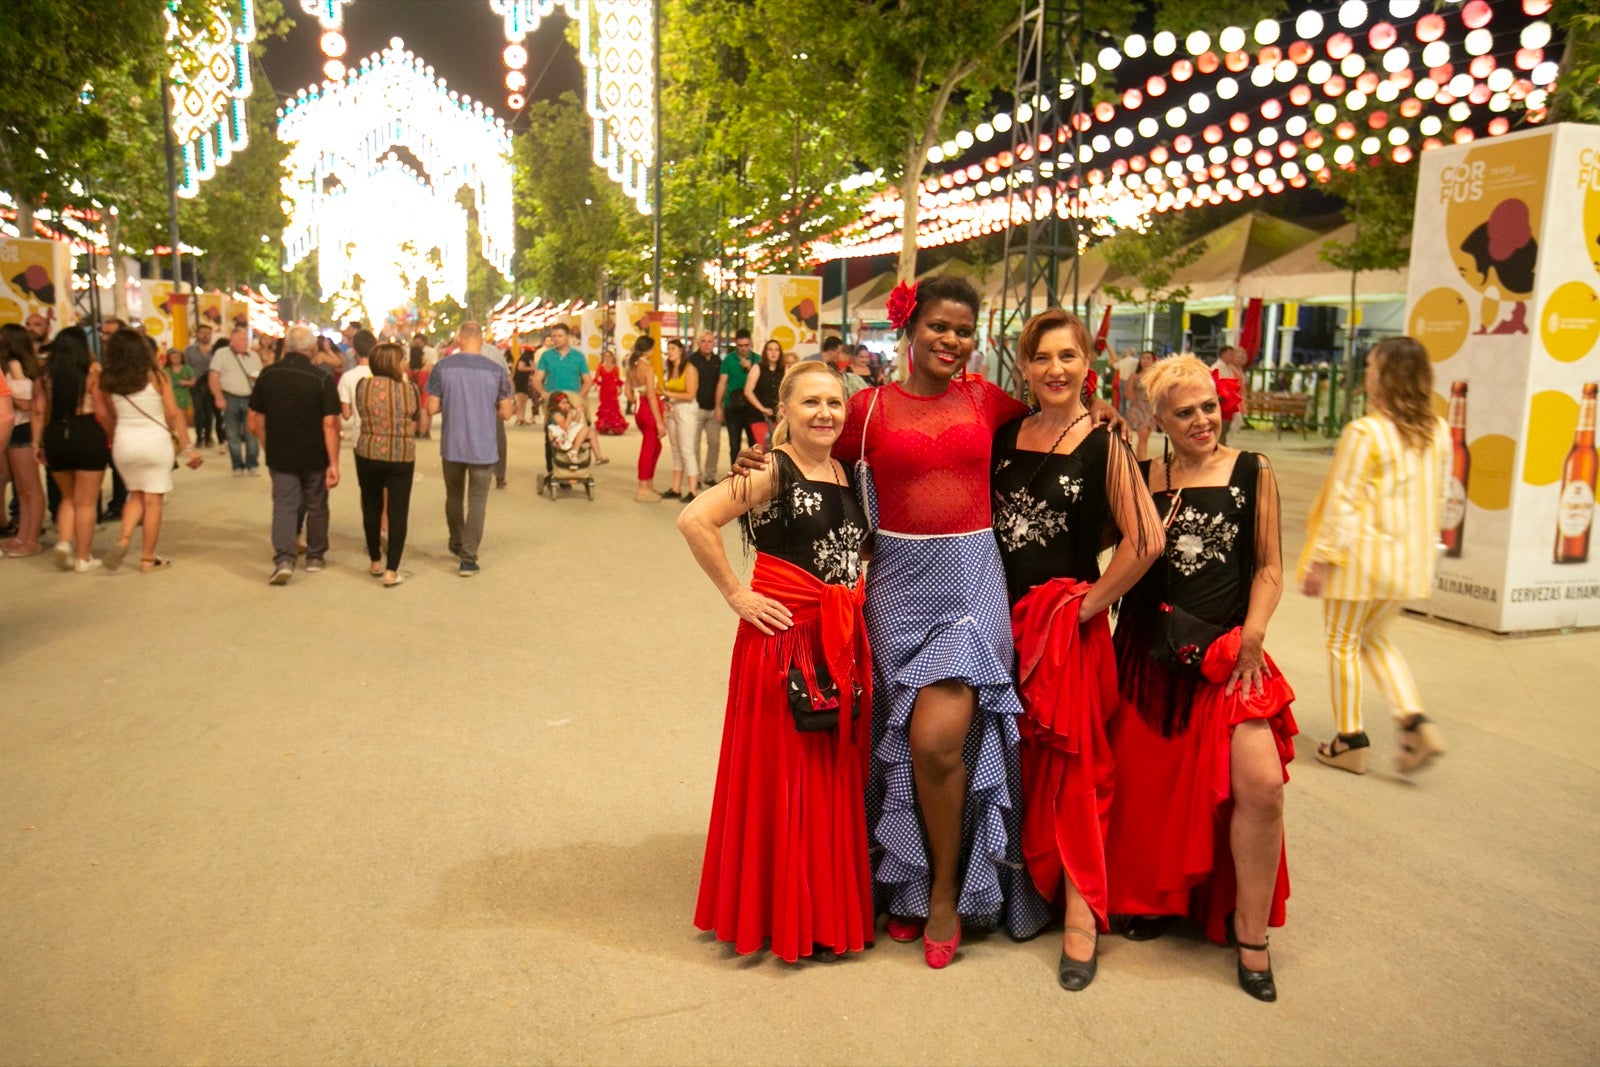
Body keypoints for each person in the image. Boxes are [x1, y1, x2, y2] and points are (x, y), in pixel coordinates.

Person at [1105, 354, 1296, 1003]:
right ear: (1159, 418)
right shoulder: (1145, 473)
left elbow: (1269, 567)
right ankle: (1153, 900)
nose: (1201, 420)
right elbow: (1111, 548)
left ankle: (1251, 932)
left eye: (1209, 406)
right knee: (1149, 789)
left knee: (1262, 784)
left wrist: (1255, 632)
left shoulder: (1253, 470)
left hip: (1229, 653)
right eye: (1184, 411)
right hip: (1149, 651)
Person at [678, 361, 873, 963]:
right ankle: (779, 913)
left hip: (834, 641)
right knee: (784, 779)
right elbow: (694, 519)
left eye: (835, 403)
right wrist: (738, 593)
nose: (825, 414)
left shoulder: (850, 471)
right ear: (782, 410)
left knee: (825, 778)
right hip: (783, 643)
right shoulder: (770, 468)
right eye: (811, 402)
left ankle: (818, 909)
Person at [991, 309, 1163, 990]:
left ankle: (1081, 917)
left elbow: (1145, 540)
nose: (1056, 369)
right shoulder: (1006, 434)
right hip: (1002, 622)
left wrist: (1088, 606)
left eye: (1068, 356)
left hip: (1068, 633)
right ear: (1024, 368)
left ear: (1088, 361)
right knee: (1019, 765)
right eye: (1042, 357)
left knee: (1077, 773)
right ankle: (1022, 892)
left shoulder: (1106, 445)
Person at [1298, 336, 1449, 776]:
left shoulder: (1365, 433)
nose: (1366, 373)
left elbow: (1343, 500)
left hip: (1359, 561)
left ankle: (1350, 739)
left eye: (1371, 366)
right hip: (1407, 562)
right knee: (1377, 639)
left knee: (1341, 642)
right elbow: (1441, 497)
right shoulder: (1436, 431)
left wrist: (1321, 559)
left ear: (1385, 376)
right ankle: (1414, 719)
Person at [99, 330, 200, 572]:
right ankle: (147, 558)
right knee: (153, 502)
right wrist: (189, 448)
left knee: (134, 494)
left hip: (125, 442)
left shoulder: (108, 379)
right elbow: (174, 413)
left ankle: (123, 539)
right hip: (155, 443)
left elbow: (107, 415)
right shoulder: (158, 377)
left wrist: (115, 436)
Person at [248, 325, 342, 585]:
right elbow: (330, 424)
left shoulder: (267, 376)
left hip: (281, 455)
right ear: (312, 349)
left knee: (284, 505)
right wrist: (334, 462)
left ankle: (285, 559)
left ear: (286, 347)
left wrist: (269, 447)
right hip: (315, 455)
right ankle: (315, 556)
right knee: (316, 504)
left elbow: (255, 421)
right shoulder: (321, 378)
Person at [425, 321, 513, 576]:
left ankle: (456, 540)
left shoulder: (443, 367)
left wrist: (450, 405)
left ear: (460, 339)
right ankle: (469, 557)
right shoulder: (496, 370)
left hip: (452, 444)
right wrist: (487, 409)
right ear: (481, 340)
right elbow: (506, 412)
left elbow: (431, 408)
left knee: (453, 495)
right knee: (477, 501)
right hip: (484, 446)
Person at [35, 328, 111, 571]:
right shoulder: (92, 372)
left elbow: (38, 410)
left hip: (56, 434)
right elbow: (101, 411)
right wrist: (112, 435)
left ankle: (64, 542)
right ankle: (83, 558)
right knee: (86, 502)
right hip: (86, 432)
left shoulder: (45, 374)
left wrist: (38, 443)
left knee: (68, 497)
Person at [354, 342, 420, 587]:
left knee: (371, 506)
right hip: (401, 456)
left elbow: (361, 411)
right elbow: (415, 416)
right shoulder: (410, 390)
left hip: (368, 452)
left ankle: (374, 560)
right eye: (402, 359)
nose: (405, 363)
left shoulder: (363, 386)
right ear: (394, 363)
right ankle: (391, 571)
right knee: (397, 512)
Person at [1, 325, 45, 556]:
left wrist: (10, 399)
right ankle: (22, 536)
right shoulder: (15, 365)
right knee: (22, 488)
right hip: (16, 430)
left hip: (22, 430)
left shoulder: (15, 365)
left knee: (30, 489)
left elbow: (27, 401)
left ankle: (31, 539)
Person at [209, 327, 261, 475]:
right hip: (229, 397)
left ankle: (252, 464)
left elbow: (261, 376)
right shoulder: (221, 354)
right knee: (232, 434)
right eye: (240, 340)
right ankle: (237, 465)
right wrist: (218, 397)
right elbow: (213, 377)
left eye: (245, 340)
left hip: (250, 398)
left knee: (252, 432)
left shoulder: (254, 356)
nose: (244, 343)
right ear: (232, 341)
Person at [625, 337, 666, 502]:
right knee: (649, 447)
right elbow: (650, 396)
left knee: (656, 446)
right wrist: (659, 422)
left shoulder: (631, 368)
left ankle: (648, 482)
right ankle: (642, 488)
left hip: (639, 408)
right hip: (649, 408)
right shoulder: (647, 369)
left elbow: (627, 392)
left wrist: (637, 403)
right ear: (649, 349)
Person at [661, 338, 700, 502]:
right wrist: (666, 401)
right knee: (676, 450)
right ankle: (675, 488)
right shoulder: (669, 369)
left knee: (687, 450)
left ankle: (693, 490)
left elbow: (690, 395)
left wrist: (669, 394)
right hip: (672, 409)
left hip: (686, 410)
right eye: (668, 349)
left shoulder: (689, 369)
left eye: (673, 349)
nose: (670, 352)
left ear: (681, 351)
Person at [715, 329, 755, 461]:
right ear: (736, 344)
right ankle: (735, 473)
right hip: (732, 407)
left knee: (753, 444)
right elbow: (722, 384)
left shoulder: (757, 359)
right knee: (734, 445)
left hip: (751, 408)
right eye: (740, 345)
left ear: (751, 343)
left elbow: (760, 384)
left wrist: (750, 369)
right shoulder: (729, 359)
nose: (743, 348)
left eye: (746, 345)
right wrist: (718, 407)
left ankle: (753, 475)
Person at [689, 331, 722, 480]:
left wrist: (719, 407)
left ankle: (710, 475)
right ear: (698, 343)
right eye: (703, 341)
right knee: (694, 445)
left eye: (710, 341)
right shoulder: (691, 361)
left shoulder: (718, 361)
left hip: (714, 410)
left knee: (714, 444)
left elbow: (722, 386)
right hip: (695, 409)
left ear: (713, 344)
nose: (707, 344)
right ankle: (696, 475)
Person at [337, 329, 377, 443]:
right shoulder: (382, 373)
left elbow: (346, 415)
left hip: (360, 437)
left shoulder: (347, 377)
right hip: (382, 437)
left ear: (354, 350)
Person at [742, 339, 785, 446]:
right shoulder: (757, 368)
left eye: (776, 350)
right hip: (758, 416)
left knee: (776, 448)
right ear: (765, 352)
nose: (773, 353)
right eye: (770, 350)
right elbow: (748, 392)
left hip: (778, 417)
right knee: (762, 448)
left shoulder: (784, 370)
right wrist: (763, 409)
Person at [534, 323, 590, 405]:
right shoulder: (546, 355)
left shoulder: (578, 356)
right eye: (554, 336)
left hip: (572, 400)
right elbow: (537, 379)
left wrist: (579, 396)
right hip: (552, 400)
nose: (556, 339)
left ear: (567, 337)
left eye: (560, 336)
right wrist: (543, 393)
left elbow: (588, 380)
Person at [184, 323, 219, 447]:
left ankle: (208, 437)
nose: (205, 335)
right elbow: (185, 367)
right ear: (198, 334)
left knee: (209, 412)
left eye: (208, 333)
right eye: (202, 333)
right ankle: (199, 436)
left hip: (211, 385)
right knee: (198, 411)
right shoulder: (189, 350)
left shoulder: (216, 350)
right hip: (196, 385)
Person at [545, 391, 603, 463]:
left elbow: (574, 423)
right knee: (585, 428)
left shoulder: (564, 413)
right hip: (562, 435)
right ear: (556, 405)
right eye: (563, 403)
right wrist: (569, 414)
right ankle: (574, 452)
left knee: (591, 432)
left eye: (567, 402)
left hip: (569, 432)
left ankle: (598, 457)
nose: (566, 405)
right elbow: (565, 428)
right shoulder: (557, 415)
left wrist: (577, 413)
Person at [1125, 351, 1157, 461]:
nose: (1145, 360)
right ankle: (1141, 464)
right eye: (1143, 358)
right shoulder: (1134, 376)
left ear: (1153, 361)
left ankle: (1140, 462)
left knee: (1145, 438)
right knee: (1142, 436)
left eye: (1148, 358)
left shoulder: (1156, 377)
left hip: (1150, 409)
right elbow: (1128, 394)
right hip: (1138, 408)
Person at [589, 348, 628, 434]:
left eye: (608, 356)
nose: (607, 358)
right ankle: (604, 426)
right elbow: (596, 378)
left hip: (612, 390)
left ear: (612, 357)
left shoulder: (616, 368)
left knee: (613, 407)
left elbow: (617, 379)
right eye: (605, 356)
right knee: (604, 407)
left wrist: (620, 388)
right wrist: (596, 385)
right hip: (603, 390)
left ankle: (614, 426)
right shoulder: (600, 367)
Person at [1213, 345, 1246, 444]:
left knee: (1229, 425)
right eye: (1231, 354)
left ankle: (1224, 444)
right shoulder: (1217, 367)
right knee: (1223, 426)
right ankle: (1220, 446)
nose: (1233, 357)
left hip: (1229, 401)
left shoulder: (1228, 367)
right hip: (1222, 401)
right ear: (1224, 354)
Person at [163, 347, 195, 430]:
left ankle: (181, 435)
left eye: (178, 357)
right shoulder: (165, 370)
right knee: (170, 418)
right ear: (169, 359)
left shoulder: (187, 368)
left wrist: (186, 382)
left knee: (181, 418)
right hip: (169, 397)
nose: (176, 359)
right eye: (173, 357)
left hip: (183, 397)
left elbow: (193, 381)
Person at [513, 345, 537, 425]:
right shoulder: (525, 357)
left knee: (524, 400)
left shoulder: (525, 357)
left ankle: (521, 418)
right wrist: (532, 368)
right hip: (520, 381)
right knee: (521, 400)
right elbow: (520, 367)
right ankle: (519, 418)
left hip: (522, 380)